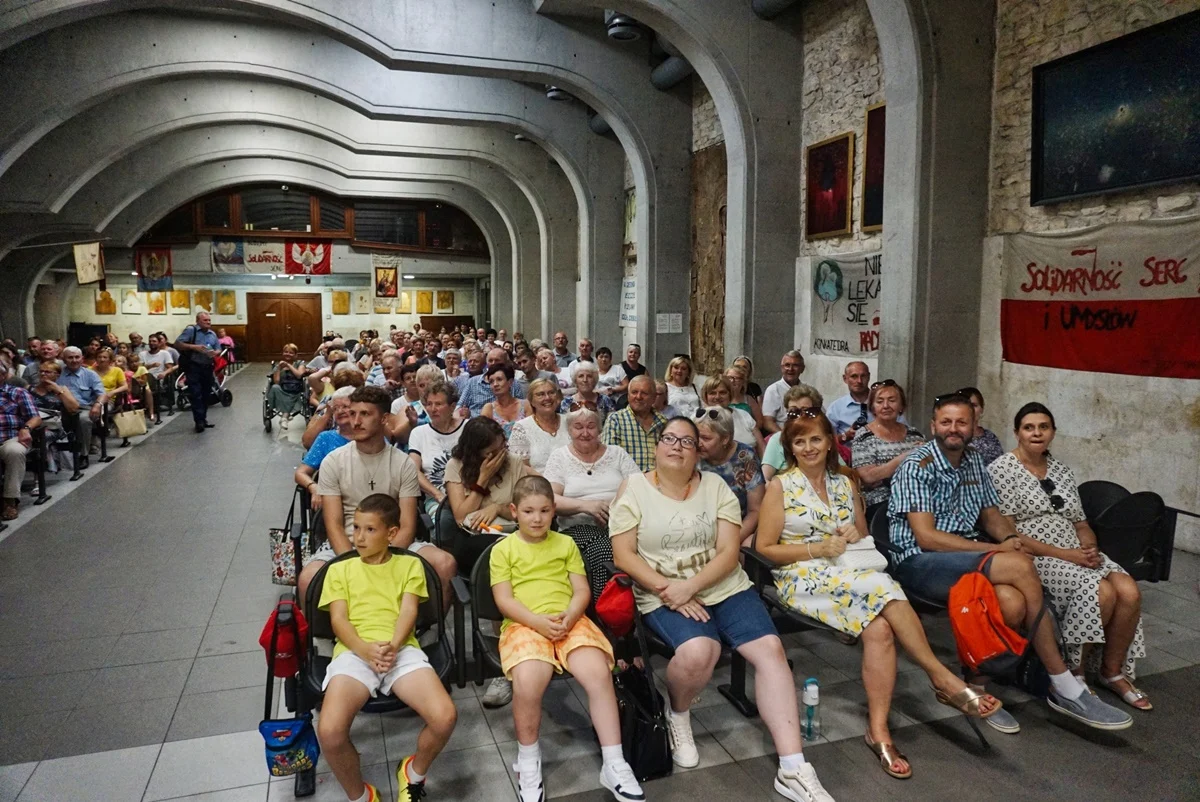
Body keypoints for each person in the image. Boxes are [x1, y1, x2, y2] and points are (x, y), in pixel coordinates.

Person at [757, 409, 1001, 778]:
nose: (808, 448)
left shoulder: (845, 482)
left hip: (849, 572)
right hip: (802, 576)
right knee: (885, 586)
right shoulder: (781, 486)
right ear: (790, 447)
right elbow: (764, 548)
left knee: (881, 630)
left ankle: (878, 731)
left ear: (829, 443)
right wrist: (815, 549)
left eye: (816, 439)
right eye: (799, 441)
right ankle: (941, 677)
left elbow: (862, 533)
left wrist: (854, 533)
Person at [610, 417, 833, 801]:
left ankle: (793, 767)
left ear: (698, 451)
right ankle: (679, 713)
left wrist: (691, 587)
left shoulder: (715, 487)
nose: (677, 446)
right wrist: (670, 589)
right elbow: (624, 555)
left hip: (723, 586)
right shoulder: (633, 488)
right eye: (669, 438)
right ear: (656, 446)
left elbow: (730, 553)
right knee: (701, 651)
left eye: (687, 441)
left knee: (771, 651)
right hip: (661, 591)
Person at [888, 393, 1132, 731]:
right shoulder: (918, 465)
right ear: (933, 426)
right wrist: (1000, 549)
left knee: (1012, 602)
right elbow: (927, 537)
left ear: (974, 426)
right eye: (946, 422)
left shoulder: (974, 460)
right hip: (919, 561)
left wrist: (1007, 537)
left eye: (961, 422)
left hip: (966, 555)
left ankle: (977, 686)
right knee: (1019, 564)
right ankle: (1063, 682)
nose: (953, 428)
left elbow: (991, 515)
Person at [491, 476, 645, 802]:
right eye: (529, 511)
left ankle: (614, 762)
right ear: (514, 511)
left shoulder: (565, 544)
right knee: (529, 680)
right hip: (525, 623)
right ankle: (528, 761)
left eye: (544, 510)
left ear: (553, 511)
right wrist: (538, 622)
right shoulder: (503, 549)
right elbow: (504, 600)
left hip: (569, 620)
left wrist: (571, 616)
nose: (537, 518)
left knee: (598, 673)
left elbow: (581, 590)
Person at [989, 403, 1149, 710]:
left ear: (1053, 432)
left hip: (1076, 550)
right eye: (1029, 427)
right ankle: (1075, 674)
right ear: (1017, 432)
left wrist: (1089, 548)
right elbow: (1009, 533)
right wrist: (1068, 555)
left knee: (1128, 591)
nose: (1037, 433)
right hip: (1036, 553)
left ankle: (1112, 672)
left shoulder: (1061, 470)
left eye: (1043, 427)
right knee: (1101, 592)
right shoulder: (1001, 469)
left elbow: (1081, 522)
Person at [316, 493, 458, 802]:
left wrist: (392, 646)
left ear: (392, 533)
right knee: (330, 732)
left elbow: (408, 611)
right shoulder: (339, 569)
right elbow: (339, 620)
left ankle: (413, 773)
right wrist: (364, 650)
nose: (359, 537)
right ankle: (361, 796)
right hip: (353, 652)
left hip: (400, 649)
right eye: (356, 528)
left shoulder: (409, 565)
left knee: (444, 716)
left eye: (370, 530)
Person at [301, 386, 457, 610]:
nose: (356, 421)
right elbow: (334, 525)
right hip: (347, 542)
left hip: (393, 543)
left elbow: (407, 524)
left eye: (365, 414)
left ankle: (425, 626)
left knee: (445, 564)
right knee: (307, 579)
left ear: (384, 419)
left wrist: (385, 559)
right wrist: (354, 563)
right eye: (352, 413)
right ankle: (324, 631)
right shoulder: (333, 461)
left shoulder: (402, 463)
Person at [542, 406, 640, 597]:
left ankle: (641, 601)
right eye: (578, 427)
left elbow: (638, 487)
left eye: (591, 426)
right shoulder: (560, 456)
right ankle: (606, 607)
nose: (585, 433)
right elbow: (549, 499)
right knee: (604, 550)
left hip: (621, 525)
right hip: (576, 528)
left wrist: (616, 508)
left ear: (600, 429)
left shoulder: (617, 453)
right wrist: (586, 506)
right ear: (569, 430)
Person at [850, 380, 925, 522]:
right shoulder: (864, 436)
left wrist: (883, 472)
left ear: (901, 406)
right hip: (879, 503)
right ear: (872, 407)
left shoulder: (914, 435)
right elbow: (868, 477)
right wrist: (906, 457)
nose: (886, 406)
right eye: (880, 401)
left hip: (915, 498)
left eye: (892, 400)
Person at [696, 407, 765, 546]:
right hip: (699, 528)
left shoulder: (745, 457)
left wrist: (729, 543)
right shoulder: (692, 454)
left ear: (725, 439)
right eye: (696, 436)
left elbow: (755, 511)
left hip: (739, 527)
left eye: (706, 438)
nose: (698, 443)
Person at [407, 381, 466, 517]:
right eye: (429, 404)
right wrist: (438, 495)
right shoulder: (418, 433)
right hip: (436, 499)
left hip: (469, 495)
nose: (433, 409)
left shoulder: (468, 428)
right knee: (445, 520)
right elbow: (413, 470)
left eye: (438, 404)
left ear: (452, 407)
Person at [295, 387, 356, 513]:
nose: (340, 411)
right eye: (335, 408)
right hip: (333, 498)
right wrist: (313, 487)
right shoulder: (326, 438)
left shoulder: (371, 436)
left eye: (345, 407)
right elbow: (300, 473)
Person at [0, 361, 41, 520]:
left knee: (15, 451)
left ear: (4, 376)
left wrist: (26, 428)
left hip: (10, 437)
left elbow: (35, 417)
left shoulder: (17, 392)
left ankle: (10, 500)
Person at [600, 376, 666, 473]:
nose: (638, 397)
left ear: (653, 398)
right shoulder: (615, 420)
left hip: (657, 480)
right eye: (634, 392)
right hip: (627, 480)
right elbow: (609, 461)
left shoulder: (664, 423)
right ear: (628, 396)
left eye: (644, 393)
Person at [762, 385, 824, 482]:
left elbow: (839, 469)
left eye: (805, 411)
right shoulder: (778, 439)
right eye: (793, 412)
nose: (799, 417)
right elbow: (765, 479)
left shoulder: (824, 437)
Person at [58, 346, 106, 467]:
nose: (74, 360)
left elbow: (102, 394)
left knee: (84, 420)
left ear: (82, 359)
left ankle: (83, 454)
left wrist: (97, 405)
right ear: (64, 359)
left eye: (77, 357)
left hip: (84, 408)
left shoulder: (90, 374)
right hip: (60, 409)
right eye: (70, 357)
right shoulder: (57, 374)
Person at [175, 311, 222, 433]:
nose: (208, 322)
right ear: (198, 321)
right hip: (193, 367)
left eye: (209, 320)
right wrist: (194, 347)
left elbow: (218, 348)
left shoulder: (212, 334)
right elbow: (178, 344)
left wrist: (215, 353)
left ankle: (203, 419)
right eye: (205, 320)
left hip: (207, 367)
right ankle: (198, 421)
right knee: (196, 394)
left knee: (206, 394)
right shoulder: (191, 330)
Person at [509, 378, 568, 473]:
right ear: (531, 401)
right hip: (538, 480)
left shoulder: (570, 421)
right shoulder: (521, 428)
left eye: (551, 393)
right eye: (540, 394)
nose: (547, 398)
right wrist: (546, 481)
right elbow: (521, 465)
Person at [700, 376, 764, 454]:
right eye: (712, 393)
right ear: (706, 396)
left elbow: (761, 446)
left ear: (730, 394)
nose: (717, 397)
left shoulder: (743, 415)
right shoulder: (698, 418)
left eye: (722, 392)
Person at [458, 348, 527, 417]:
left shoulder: (514, 383)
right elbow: (459, 406)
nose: (493, 363)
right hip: (476, 421)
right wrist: (463, 413)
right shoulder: (473, 382)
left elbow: (522, 408)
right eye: (490, 361)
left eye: (497, 360)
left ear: (506, 362)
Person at [826, 361, 873, 441]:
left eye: (863, 376)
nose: (859, 381)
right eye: (854, 376)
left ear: (868, 377)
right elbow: (826, 440)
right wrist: (846, 436)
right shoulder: (836, 408)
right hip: (847, 448)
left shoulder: (883, 404)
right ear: (845, 379)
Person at [762, 350, 806, 434]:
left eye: (795, 365)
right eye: (787, 365)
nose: (790, 369)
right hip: (782, 434)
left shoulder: (807, 390)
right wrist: (784, 437)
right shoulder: (773, 390)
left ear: (802, 369)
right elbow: (768, 422)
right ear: (782, 368)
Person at [960, 386, 1005, 466]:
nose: (970, 409)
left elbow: (1001, 466)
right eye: (965, 405)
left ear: (982, 408)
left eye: (974, 405)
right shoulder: (952, 436)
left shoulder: (990, 437)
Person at [268, 344, 309, 429]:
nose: (288, 354)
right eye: (286, 352)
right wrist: (279, 368)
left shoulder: (300, 363)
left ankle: (284, 417)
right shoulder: (278, 366)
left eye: (291, 352)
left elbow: (299, 375)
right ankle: (286, 415)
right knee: (275, 387)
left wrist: (288, 365)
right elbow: (277, 381)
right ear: (283, 353)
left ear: (295, 355)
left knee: (292, 394)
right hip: (282, 390)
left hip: (295, 390)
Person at [479, 363, 525, 438]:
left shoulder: (525, 405)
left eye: (499, 379)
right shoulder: (489, 408)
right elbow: (482, 436)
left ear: (510, 382)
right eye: (491, 381)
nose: (495, 384)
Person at [724, 364, 763, 431]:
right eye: (729, 377)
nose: (732, 381)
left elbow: (760, 421)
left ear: (743, 381)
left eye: (737, 378)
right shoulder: (721, 398)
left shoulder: (749, 399)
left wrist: (750, 431)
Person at [663, 356, 701, 420]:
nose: (679, 371)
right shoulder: (665, 388)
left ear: (688, 372)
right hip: (676, 422)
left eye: (683, 369)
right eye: (676, 367)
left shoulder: (695, 387)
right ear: (670, 370)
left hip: (696, 422)